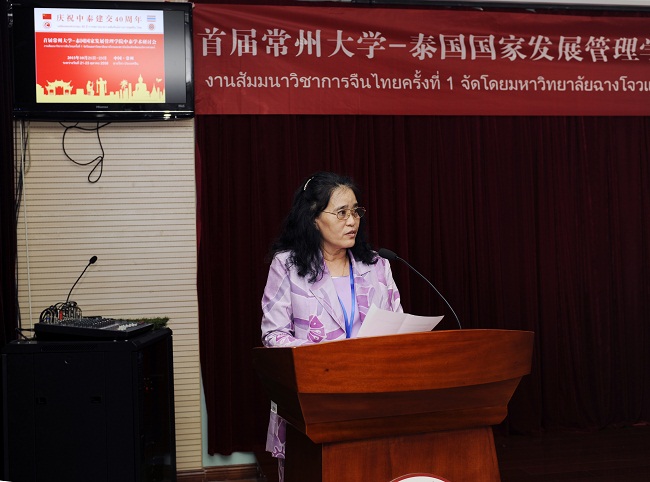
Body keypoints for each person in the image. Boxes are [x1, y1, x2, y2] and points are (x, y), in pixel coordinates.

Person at [260, 171, 402, 481]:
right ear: (313, 218)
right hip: (313, 401)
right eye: (341, 212)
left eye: (356, 211)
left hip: (373, 400)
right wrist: (330, 357)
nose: (352, 221)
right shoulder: (287, 266)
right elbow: (273, 335)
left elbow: (397, 328)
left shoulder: (378, 265)